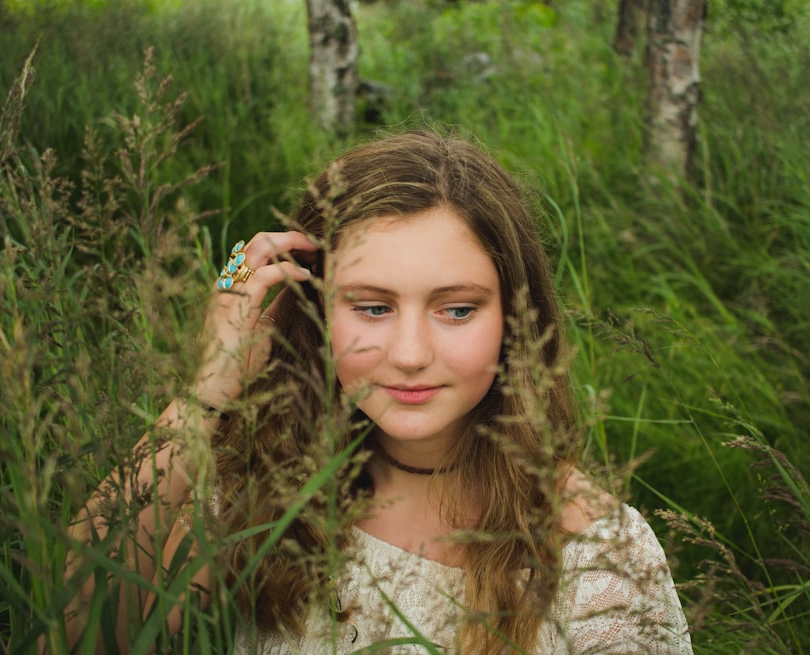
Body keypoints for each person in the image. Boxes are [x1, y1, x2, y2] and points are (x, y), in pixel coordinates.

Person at [61, 130, 693, 654]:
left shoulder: (597, 552)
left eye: (457, 310)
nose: (410, 355)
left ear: (515, 319)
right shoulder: (260, 488)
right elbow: (71, 634)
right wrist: (207, 390)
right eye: (370, 307)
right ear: (314, 314)